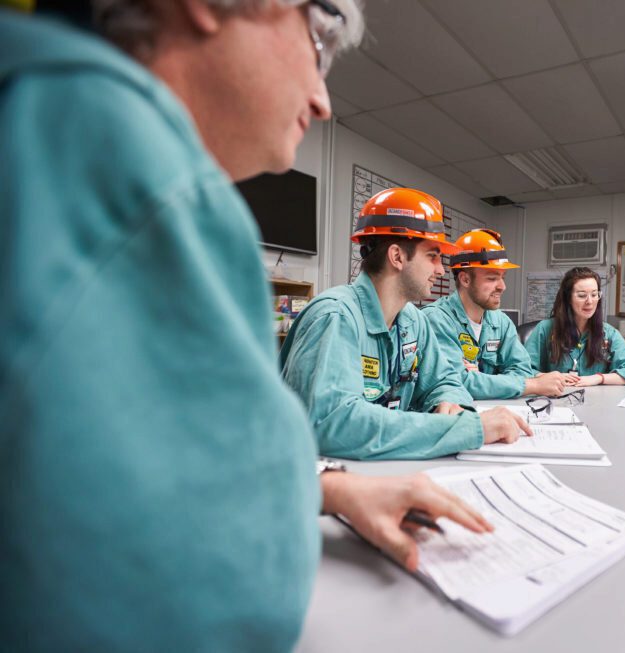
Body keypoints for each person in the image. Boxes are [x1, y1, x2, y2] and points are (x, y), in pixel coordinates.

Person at [0, 2, 499, 649]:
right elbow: (235, 589)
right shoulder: (144, 181)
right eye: (318, 36)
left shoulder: (40, 111)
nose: (322, 99)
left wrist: (328, 491)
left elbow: (167, 464)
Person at [280, 188, 530, 459]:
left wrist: (451, 402)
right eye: (432, 256)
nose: (441, 270)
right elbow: (334, 422)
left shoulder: (413, 321)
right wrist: (466, 429)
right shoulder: (335, 317)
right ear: (397, 256)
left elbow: (444, 380)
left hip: (382, 468)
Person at [424, 229, 567, 399]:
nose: (502, 287)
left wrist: (481, 379)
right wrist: (532, 385)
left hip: (500, 412)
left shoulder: (501, 322)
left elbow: (522, 370)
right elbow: (457, 383)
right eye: (492, 278)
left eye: (503, 277)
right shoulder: (437, 320)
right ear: (465, 279)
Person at [525, 267, 625, 386]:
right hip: (555, 399)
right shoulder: (545, 329)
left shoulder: (609, 333)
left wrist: (598, 378)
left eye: (594, 294)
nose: (590, 301)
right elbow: (522, 370)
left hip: (596, 401)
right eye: (582, 295)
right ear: (568, 298)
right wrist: (552, 377)